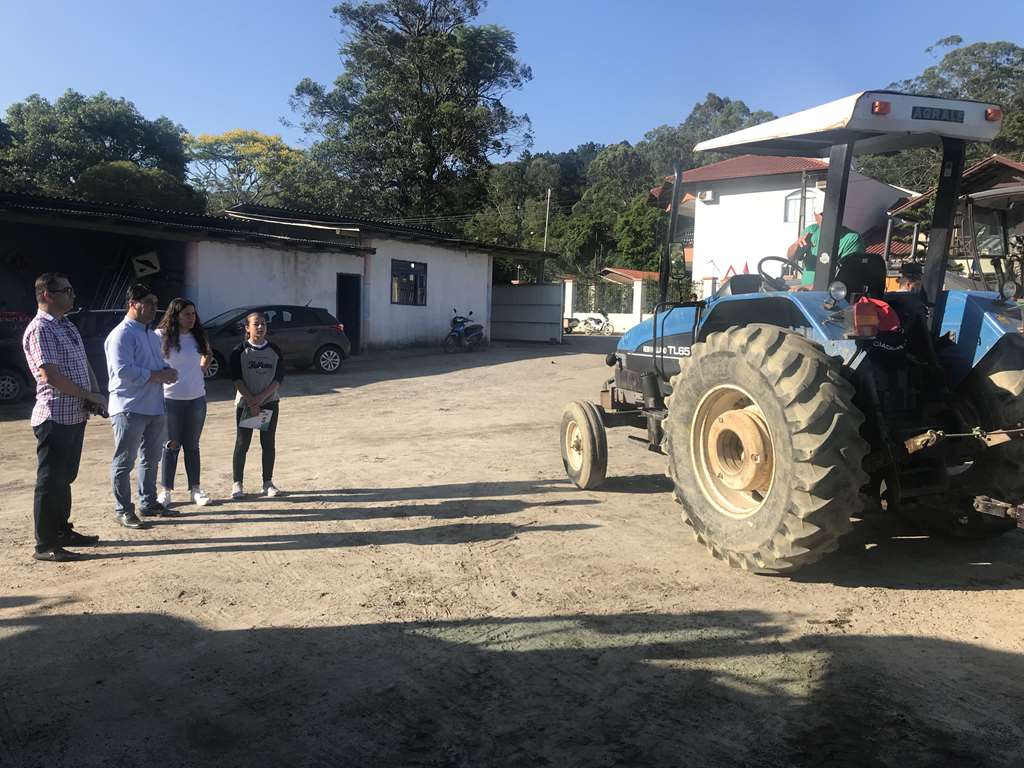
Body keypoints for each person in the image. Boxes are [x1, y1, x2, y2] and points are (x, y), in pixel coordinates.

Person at [21, 273, 107, 562]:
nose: (73, 295)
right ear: (47, 294)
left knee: (64, 478)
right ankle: (45, 544)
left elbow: (82, 364)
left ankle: (62, 530)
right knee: (49, 480)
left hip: (74, 415)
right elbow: (51, 376)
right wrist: (88, 394)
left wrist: (93, 395)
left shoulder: (66, 325)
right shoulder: (40, 330)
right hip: (54, 417)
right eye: (66, 290)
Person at [104, 283, 178, 529]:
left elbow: (155, 364)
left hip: (154, 406)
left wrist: (167, 372)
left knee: (151, 458)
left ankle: (148, 502)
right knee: (125, 461)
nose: (155, 308)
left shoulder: (149, 333)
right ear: (133, 304)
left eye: (156, 303)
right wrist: (158, 376)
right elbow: (123, 370)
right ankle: (123, 510)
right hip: (129, 407)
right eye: (149, 302)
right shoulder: (121, 334)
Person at [155, 298, 213, 508]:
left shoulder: (198, 336)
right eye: (187, 314)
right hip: (170, 400)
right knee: (171, 445)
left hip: (196, 399)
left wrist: (201, 369)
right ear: (175, 315)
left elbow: (208, 353)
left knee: (192, 446)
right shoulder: (160, 336)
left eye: (193, 314)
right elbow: (151, 360)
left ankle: (195, 490)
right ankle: (166, 491)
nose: (192, 318)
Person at [230, 311, 285, 499]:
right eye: (256, 324)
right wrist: (252, 401)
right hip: (246, 404)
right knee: (242, 443)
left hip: (268, 402)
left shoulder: (274, 350)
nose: (260, 327)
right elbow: (236, 379)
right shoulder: (239, 350)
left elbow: (278, 379)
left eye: (263, 324)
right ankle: (237, 484)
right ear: (247, 328)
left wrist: (260, 399)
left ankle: (267, 483)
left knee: (267, 443)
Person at [786, 207, 866, 288]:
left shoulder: (852, 239)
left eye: (830, 212)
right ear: (815, 216)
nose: (827, 217)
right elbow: (791, 257)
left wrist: (806, 288)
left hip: (831, 297)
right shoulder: (811, 230)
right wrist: (797, 245)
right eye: (822, 214)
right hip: (805, 296)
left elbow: (846, 278)